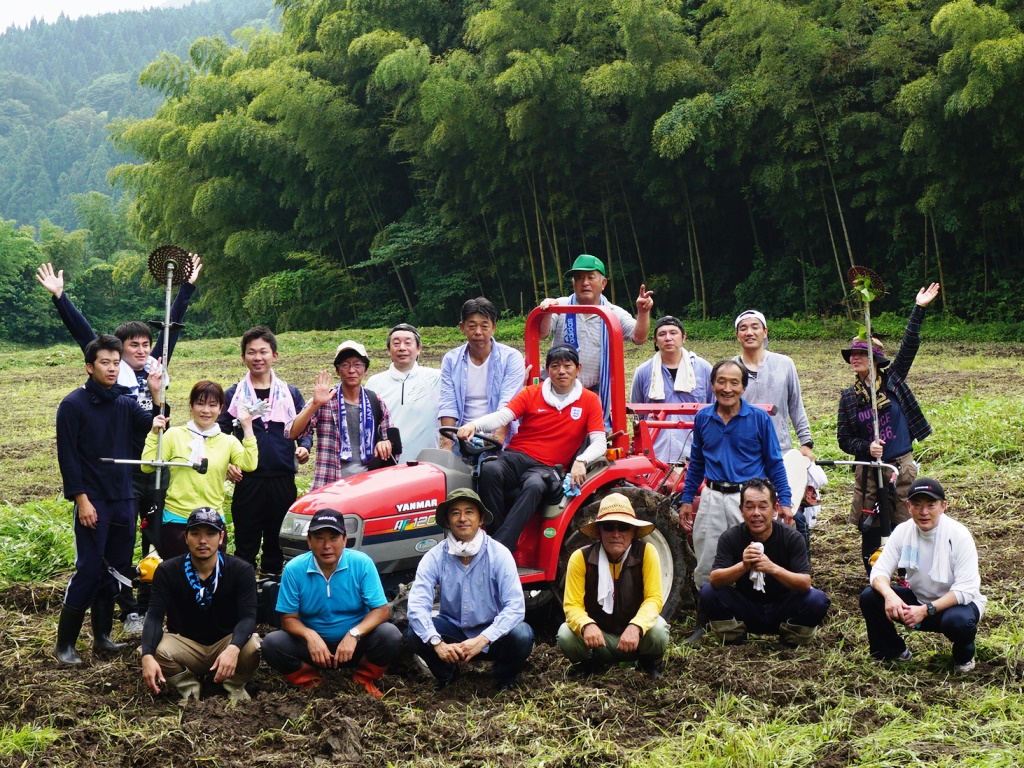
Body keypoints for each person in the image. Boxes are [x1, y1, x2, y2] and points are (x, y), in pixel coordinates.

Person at [36, 256, 202, 633]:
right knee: (101, 555)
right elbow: (85, 335)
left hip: (150, 462)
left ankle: (144, 604)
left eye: (146, 344)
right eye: (134, 345)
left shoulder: (155, 370)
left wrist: (187, 289)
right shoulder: (112, 375)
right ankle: (124, 610)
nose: (142, 351)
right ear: (115, 352)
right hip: (115, 467)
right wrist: (61, 299)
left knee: (148, 535)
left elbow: (170, 329)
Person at [54, 335, 159, 665]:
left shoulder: (125, 401)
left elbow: (152, 427)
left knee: (113, 571)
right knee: (88, 569)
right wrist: (82, 500)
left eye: (116, 362)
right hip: (93, 499)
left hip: (124, 499)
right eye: (105, 362)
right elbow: (68, 458)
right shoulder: (73, 405)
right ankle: (64, 645)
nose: (112, 368)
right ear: (90, 367)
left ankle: (102, 638)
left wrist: (158, 399)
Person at [677, 359, 792, 643]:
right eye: (721, 382)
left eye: (734, 383)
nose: (727, 388)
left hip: (749, 498)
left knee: (753, 558)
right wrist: (687, 499)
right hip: (714, 496)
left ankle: (752, 617)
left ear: (743, 387)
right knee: (707, 561)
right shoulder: (704, 418)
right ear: (713, 384)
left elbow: (774, 462)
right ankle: (704, 622)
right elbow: (697, 462)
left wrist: (785, 500)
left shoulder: (758, 418)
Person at [456, 345, 606, 552]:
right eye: (555, 366)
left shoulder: (590, 400)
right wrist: (473, 425)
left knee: (536, 484)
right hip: (518, 455)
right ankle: (495, 538)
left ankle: (500, 548)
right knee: (490, 470)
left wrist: (581, 461)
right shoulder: (531, 393)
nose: (561, 371)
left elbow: (599, 441)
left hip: (549, 466)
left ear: (578, 369)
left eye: (567, 366)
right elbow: (503, 416)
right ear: (547, 370)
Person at [837, 283, 939, 573]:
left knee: (904, 527)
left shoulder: (893, 380)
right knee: (870, 528)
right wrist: (864, 448)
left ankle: (906, 579)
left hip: (901, 467)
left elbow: (908, 346)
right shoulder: (848, 397)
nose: (854, 358)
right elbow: (844, 439)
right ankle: (876, 578)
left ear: (875, 359)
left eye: (861, 353)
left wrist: (918, 309)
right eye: (851, 355)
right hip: (870, 470)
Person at [261, 509, 402, 698]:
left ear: (344, 540)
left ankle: (363, 679)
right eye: (319, 538)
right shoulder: (295, 569)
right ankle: (311, 682)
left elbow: (382, 610)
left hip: (355, 648)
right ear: (309, 541)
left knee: (390, 635)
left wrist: (354, 634)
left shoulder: (361, 564)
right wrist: (310, 636)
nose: (327, 545)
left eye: (334, 538)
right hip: (314, 651)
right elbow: (288, 619)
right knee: (272, 643)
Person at [406, 489, 534, 691]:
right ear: (447, 521)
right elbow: (417, 605)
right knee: (415, 630)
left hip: (493, 635)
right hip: (454, 633)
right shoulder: (434, 557)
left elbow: (515, 607)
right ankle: (447, 676)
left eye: (469, 512)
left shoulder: (499, 554)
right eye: (455, 513)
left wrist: (483, 639)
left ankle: (504, 679)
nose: (462, 519)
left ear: (481, 518)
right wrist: (437, 642)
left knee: (522, 634)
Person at [860, 478, 985, 672]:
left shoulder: (959, 535)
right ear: (908, 506)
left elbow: (965, 590)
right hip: (918, 600)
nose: (924, 512)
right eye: (917, 505)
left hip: (955, 606)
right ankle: (893, 652)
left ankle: (964, 657)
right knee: (870, 596)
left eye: (931, 505)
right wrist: (890, 596)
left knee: (959, 622)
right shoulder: (903, 531)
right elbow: (879, 571)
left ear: (943, 506)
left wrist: (925, 611)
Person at [140, 508, 260, 704]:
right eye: (195, 534)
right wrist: (146, 655)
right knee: (152, 649)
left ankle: (235, 685)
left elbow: (248, 617)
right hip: (188, 645)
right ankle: (190, 687)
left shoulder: (241, 570)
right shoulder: (167, 570)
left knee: (253, 645)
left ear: (221, 537)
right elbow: (154, 616)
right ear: (185, 537)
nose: (202, 541)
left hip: (225, 643)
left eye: (210, 534)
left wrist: (233, 648)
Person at [218, 327, 311, 576]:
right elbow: (219, 435)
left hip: (282, 479)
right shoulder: (233, 395)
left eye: (263, 352)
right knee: (245, 543)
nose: (257, 357)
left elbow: (303, 428)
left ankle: (271, 592)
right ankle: (245, 594)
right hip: (248, 480)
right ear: (243, 357)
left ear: (275, 356)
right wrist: (227, 461)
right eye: (251, 352)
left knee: (276, 543)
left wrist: (304, 446)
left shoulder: (290, 393)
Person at [701, 479, 830, 647]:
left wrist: (773, 569)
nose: (756, 513)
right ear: (741, 510)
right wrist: (744, 565)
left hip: (783, 608)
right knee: (708, 592)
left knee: (817, 599)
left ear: (774, 509)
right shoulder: (731, 537)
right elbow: (715, 579)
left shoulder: (792, 537)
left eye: (763, 506)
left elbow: (805, 583)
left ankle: (792, 639)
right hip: (746, 608)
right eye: (749, 507)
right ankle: (734, 638)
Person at [557, 493, 669, 677]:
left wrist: (636, 626)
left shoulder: (647, 552)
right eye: (609, 527)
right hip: (600, 639)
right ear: (599, 531)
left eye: (623, 527)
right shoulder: (580, 558)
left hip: (635, 639)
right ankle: (590, 666)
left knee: (658, 630)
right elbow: (572, 606)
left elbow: (653, 599)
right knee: (566, 634)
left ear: (633, 532)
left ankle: (649, 665)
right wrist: (586, 625)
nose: (616, 534)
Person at [143, 381, 258, 558]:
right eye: (200, 403)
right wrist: (153, 434)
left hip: (213, 519)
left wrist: (247, 427)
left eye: (213, 405)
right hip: (177, 518)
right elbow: (147, 466)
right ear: (191, 406)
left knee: (211, 577)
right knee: (178, 576)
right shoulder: (174, 435)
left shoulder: (228, 441)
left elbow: (249, 464)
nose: (206, 410)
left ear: (221, 409)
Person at [538, 254, 654, 423]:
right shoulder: (560, 305)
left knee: (594, 439)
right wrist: (547, 310)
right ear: (573, 283)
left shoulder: (614, 313)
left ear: (603, 283)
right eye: (579, 278)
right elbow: (542, 333)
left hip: (594, 393)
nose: (584, 283)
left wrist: (643, 312)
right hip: (558, 390)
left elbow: (639, 337)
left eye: (590, 277)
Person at [289, 340, 398, 489]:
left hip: (369, 485)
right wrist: (315, 404)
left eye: (357, 364)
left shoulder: (375, 401)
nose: (351, 370)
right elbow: (292, 432)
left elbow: (391, 442)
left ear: (365, 370)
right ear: (337, 370)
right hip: (330, 484)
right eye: (345, 365)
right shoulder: (326, 399)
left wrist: (385, 443)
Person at [439, 297, 525, 451]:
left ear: (494, 328)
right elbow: (448, 404)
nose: (478, 332)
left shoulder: (511, 358)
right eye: (472, 326)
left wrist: (497, 439)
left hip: (497, 439)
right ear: (462, 327)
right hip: (461, 437)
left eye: (484, 326)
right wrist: (447, 447)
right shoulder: (451, 360)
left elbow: (507, 406)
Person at [733, 309, 814, 462]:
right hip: (740, 451)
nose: (749, 332)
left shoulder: (784, 364)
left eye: (755, 327)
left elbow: (796, 405)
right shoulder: (729, 369)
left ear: (765, 332)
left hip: (779, 448)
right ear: (737, 336)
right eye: (743, 328)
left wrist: (806, 442)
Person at [629, 315, 712, 463]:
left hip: (694, 451)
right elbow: (639, 415)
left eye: (673, 333)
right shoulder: (643, 372)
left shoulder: (704, 368)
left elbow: (713, 408)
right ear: (655, 340)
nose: (668, 338)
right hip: (656, 453)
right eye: (662, 334)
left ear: (683, 337)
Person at [366, 323, 441, 462]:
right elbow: (367, 425)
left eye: (408, 343)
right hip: (388, 463)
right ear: (388, 350)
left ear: (419, 349)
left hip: (428, 464)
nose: (402, 348)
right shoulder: (374, 383)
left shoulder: (437, 378)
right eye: (396, 343)